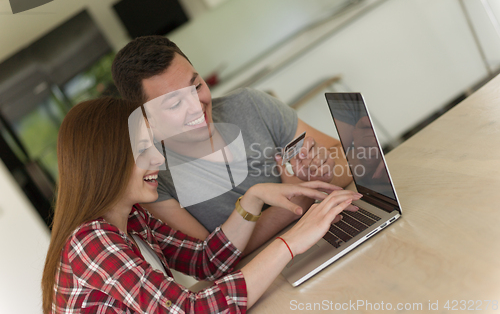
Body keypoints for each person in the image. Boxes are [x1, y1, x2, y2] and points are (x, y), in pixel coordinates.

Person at [41, 97, 360, 313]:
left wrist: (254, 197)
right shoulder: (91, 241)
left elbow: (206, 261)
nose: (157, 159)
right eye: (142, 150)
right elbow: (192, 310)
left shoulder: (134, 220)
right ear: (106, 162)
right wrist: (290, 243)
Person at [112, 36, 353, 254]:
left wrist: (323, 170)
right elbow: (213, 256)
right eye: (174, 104)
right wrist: (301, 195)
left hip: (330, 238)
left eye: (196, 86)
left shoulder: (250, 104)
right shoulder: (152, 174)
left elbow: (350, 159)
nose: (197, 106)